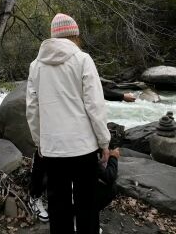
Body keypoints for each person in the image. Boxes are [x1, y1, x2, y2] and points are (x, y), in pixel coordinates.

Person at [26, 13, 111, 234]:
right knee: (87, 204)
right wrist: (104, 142)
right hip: (83, 146)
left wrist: (39, 142)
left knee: (58, 205)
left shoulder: (36, 66)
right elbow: (95, 106)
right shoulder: (83, 60)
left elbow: (32, 110)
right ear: (75, 35)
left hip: (53, 148)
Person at [28, 87, 134, 223]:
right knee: (45, 157)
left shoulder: (80, 67)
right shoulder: (40, 68)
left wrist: (121, 96)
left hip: (76, 124)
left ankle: (77, 210)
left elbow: (94, 88)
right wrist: (38, 139)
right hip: (54, 123)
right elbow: (32, 104)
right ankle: (35, 195)